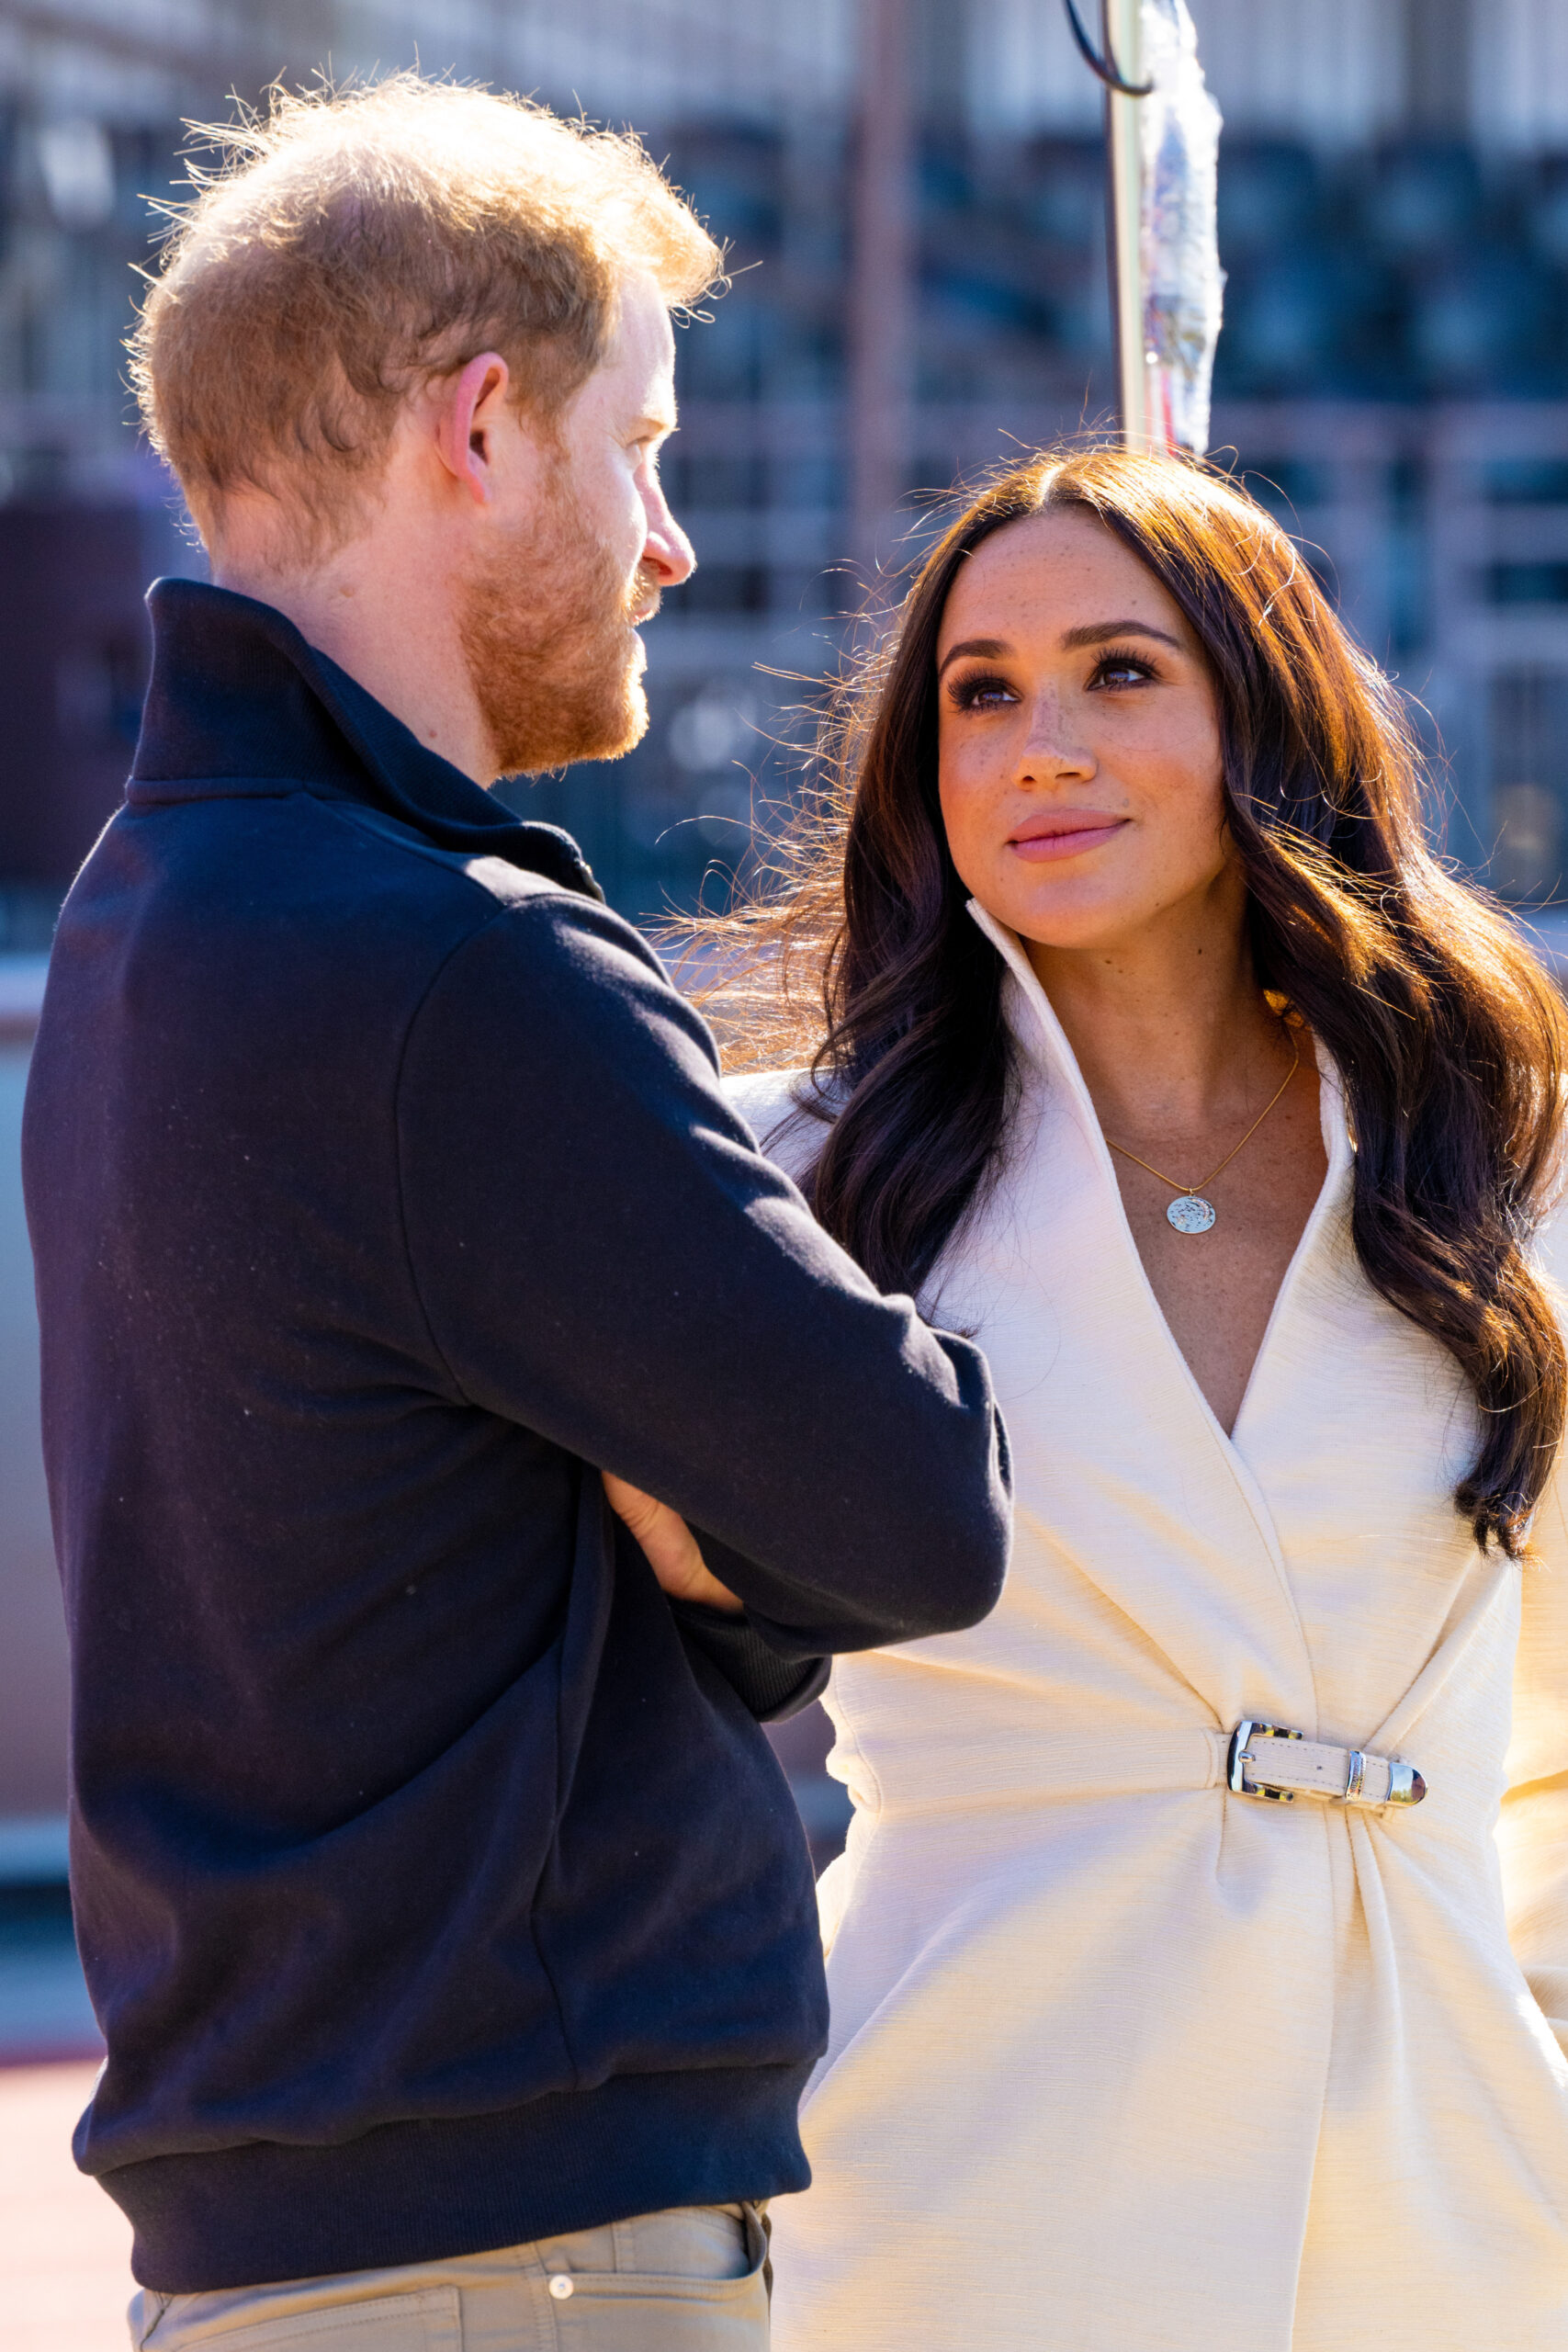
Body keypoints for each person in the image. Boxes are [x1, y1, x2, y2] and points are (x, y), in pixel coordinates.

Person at [19, 77, 1012, 2351]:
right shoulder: (454, 960)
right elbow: (913, 1507)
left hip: (301, 2253)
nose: (665, 538)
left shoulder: (144, 912)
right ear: (482, 426)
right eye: (639, 443)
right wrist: (703, 1513)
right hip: (511, 2265)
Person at [711, 445, 1568, 2351]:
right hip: (970, 2179)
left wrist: (1524, 2026)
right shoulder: (799, 1177)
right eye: (981, 691)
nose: (1037, 744)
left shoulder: (1491, 1159)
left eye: (1118, 670)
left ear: (1263, 716)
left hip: (1442, 2200)